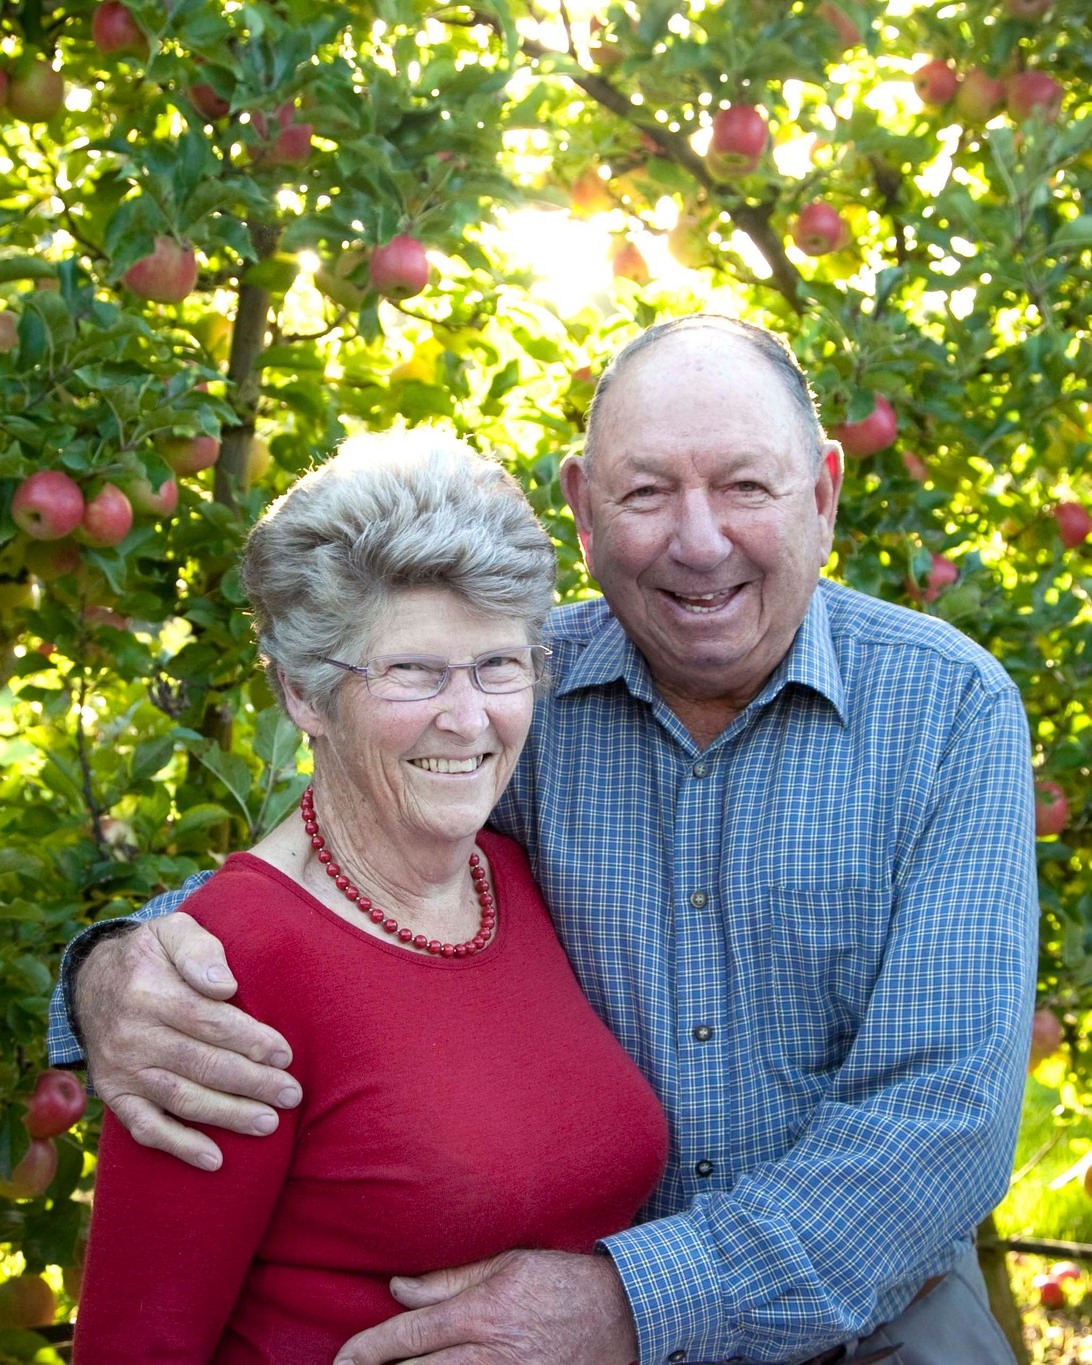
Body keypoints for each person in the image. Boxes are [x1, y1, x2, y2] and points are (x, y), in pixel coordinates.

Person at [52, 315, 1037, 1365]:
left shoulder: (945, 709)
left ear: (826, 492)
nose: (699, 541)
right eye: (646, 492)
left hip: (868, 1323)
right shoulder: (516, 683)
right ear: (580, 507)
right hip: (546, 1322)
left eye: (747, 487)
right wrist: (114, 976)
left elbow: (944, 1118)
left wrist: (632, 1305)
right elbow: (332, 887)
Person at [70, 431, 670, 1361]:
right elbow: (136, 1342)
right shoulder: (223, 971)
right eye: (413, 671)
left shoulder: (513, 879)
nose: (468, 718)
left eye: (498, 666)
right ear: (302, 693)